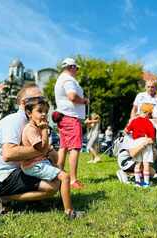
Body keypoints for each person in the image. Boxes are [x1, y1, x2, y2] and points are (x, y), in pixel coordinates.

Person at [0, 84, 60, 214]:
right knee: (52, 186)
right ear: (24, 103)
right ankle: (1, 197)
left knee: (58, 171)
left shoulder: (34, 122)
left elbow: (53, 156)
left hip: (16, 171)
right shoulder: (15, 120)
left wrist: (47, 150)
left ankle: (30, 198)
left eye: (42, 98)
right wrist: (43, 150)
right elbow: (8, 154)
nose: (42, 101)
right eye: (37, 98)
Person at [21, 96, 83, 219]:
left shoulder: (36, 126)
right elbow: (42, 148)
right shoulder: (30, 129)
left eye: (46, 112)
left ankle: (63, 202)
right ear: (29, 113)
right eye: (40, 111)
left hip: (39, 163)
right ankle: (69, 212)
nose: (44, 114)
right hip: (33, 166)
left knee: (61, 175)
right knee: (65, 177)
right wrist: (44, 130)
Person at [54, 58, 89, 189]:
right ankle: (73, 180)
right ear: (71, 67)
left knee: (63, 146)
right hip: (70, 116)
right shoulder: (68, 80)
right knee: (75, 147)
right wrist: (85, 101)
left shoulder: (61, 78)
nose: (77, 71)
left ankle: (58, 173)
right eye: (77, 68)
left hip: (63, 116)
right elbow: (72, 96)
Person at [124, 103, 156, 187]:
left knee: (137, 164)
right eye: (150, 114)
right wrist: (150, 141)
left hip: (136, 143)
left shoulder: (134, 120)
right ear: (148, 113)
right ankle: (146, 183)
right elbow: (152, 139)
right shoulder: (149, 122)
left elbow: (126, 131)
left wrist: (128, 132)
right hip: (146, 142)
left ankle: (137, 182)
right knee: (146, 164)